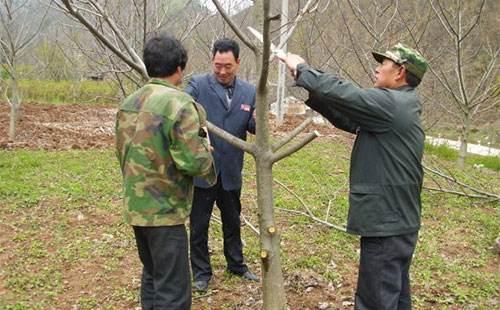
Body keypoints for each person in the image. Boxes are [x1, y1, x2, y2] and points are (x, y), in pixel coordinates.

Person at [278, 43, 428, 309]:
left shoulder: (391, 104)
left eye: (384, 63)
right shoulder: (400, 106)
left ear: (400, 72)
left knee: (376, 301)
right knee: (395, 297)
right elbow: (349, 119)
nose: (377, 67)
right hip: (398, 222)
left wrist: (303, 70)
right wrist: (311, 88)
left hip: (387, 223)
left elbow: (346, 94)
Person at [115, 34, 215, 309]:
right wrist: (207, 153)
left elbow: (123, 150)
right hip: (165, 212)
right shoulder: (179, 104)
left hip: (137, 207)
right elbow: (193, 162)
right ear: (180, 68)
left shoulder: (129, 102)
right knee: (173, 291)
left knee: (152, 277)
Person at [185, 38, 259, 292]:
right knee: (199, 224)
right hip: (204, 170)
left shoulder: (250, 92)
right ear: (212, 61)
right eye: (218, 65)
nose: (222, 71)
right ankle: (201, 273)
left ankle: (236, 265)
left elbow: (253, 126)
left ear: (238, 62)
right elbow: (182, 114)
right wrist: (199, 139)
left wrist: (262, 121)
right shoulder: (197, 85)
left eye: (227, 66)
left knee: (232, 220)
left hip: (231, 170)